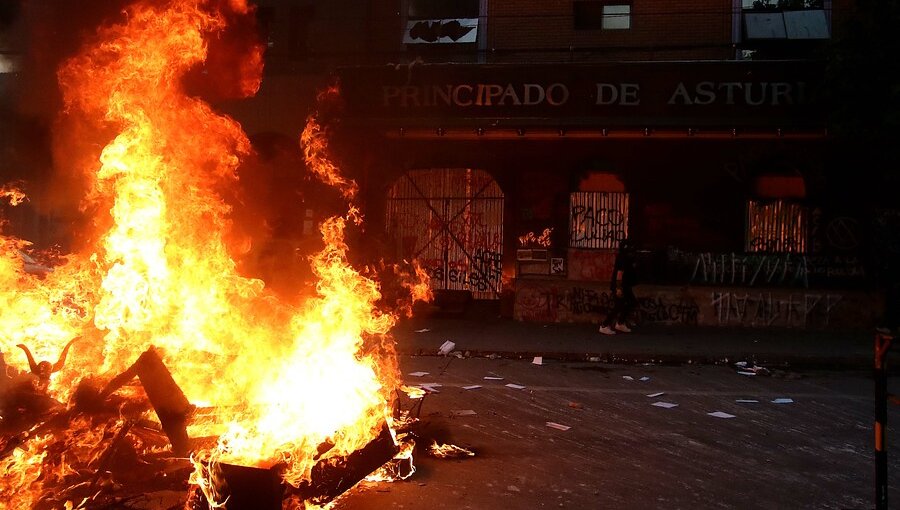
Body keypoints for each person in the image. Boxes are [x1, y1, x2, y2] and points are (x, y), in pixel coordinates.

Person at [599, 238, 638, 335]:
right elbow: (619, 274)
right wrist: (618, 288)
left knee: (631, 303)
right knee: (619, 306)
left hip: (625, 285)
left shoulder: (627, 257)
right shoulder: (622, 258)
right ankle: (604, 325)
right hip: (620, 286)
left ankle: (620, 323)